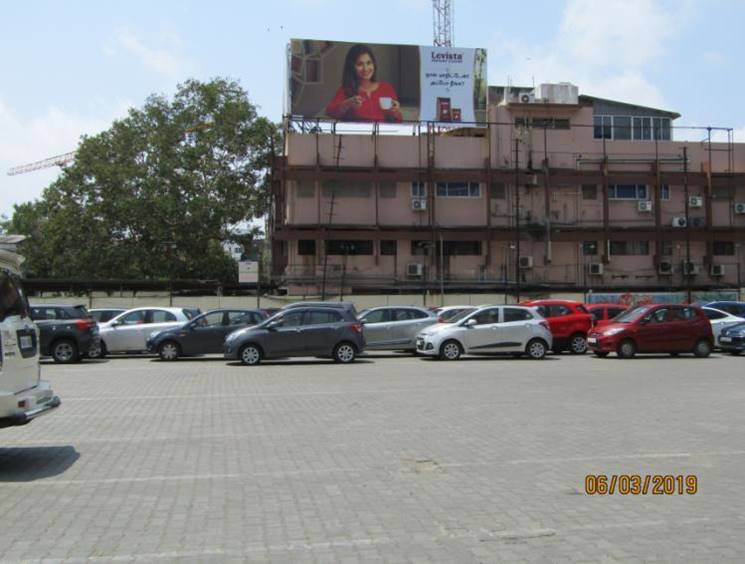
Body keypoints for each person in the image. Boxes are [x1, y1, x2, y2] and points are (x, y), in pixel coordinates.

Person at [325, 44, 402, 123]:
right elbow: (330, 111)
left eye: (369, 63)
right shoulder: (346, 90)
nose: (366, 68)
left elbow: (398, 121)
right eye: (360, 64)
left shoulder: (386, 88)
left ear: (374, 64)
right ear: (352, 67)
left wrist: (396, 112)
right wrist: (347, 104)